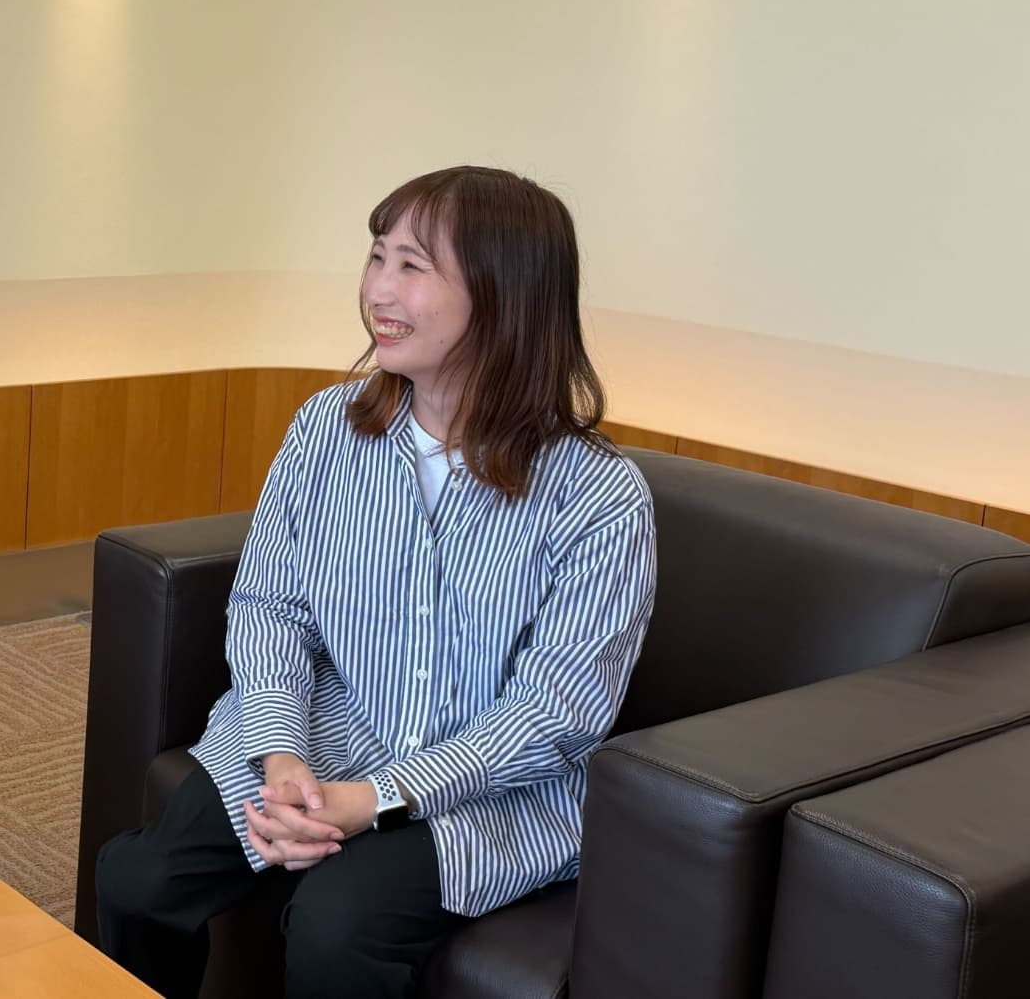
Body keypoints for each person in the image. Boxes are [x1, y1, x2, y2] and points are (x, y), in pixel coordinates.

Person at [94, 165, 657, 999]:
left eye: (412, 265)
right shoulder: (325, 428)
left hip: (488, 788)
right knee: (137, 881)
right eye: (376, 256)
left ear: (505, 295)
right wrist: (282, 754)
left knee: (336, 928)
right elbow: (269, 607)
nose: (377, 291)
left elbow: (557, 711)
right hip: (331, 730)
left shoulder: (599, 496)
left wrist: (379, 796)